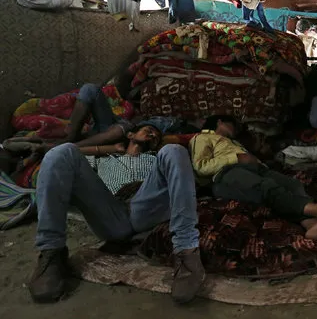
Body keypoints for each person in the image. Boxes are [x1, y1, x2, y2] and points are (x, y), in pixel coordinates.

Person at [28, 123, 204, 305]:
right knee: (61, 152)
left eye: (156, 136)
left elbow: (181, 178)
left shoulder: (156, 159)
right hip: (111, 211)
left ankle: (187, 253)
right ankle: (52, 252)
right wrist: (110, 148)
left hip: (144, 206)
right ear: (130, 135)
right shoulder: (105, 159)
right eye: (148, 131)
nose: (152, 135)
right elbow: (62, 169)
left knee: (174, 150)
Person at [189, 115, 317, 240]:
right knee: (266, 186)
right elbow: (201, 166)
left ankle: (312, 225)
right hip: (227, 174)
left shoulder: (233, 142)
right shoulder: (202, 138)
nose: (236, 129)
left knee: (293, 185)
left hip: (256, 169)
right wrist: (236, 158)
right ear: (219, 122)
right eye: (232, 124)